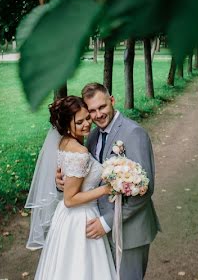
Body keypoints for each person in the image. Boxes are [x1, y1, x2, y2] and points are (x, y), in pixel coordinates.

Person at [61, 83, 161, 280]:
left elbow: (145, 189)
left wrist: (106, 223)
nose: (98, 115)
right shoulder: (92, 136)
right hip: (98, 231)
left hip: (130, 232)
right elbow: (85, 177)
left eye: (102, 107)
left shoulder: (134, 133)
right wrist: (62, 181)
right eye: (92, 111)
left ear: (112, 101)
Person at [26, 95, 117, 280]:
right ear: (68, 125)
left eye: (87, 118)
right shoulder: (80, 152)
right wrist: (107, 189)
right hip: (80, 218)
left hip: (66, 219)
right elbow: (70, 200)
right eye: (79, 122)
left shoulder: (64, 142)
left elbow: (68, 184)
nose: (86, 125)